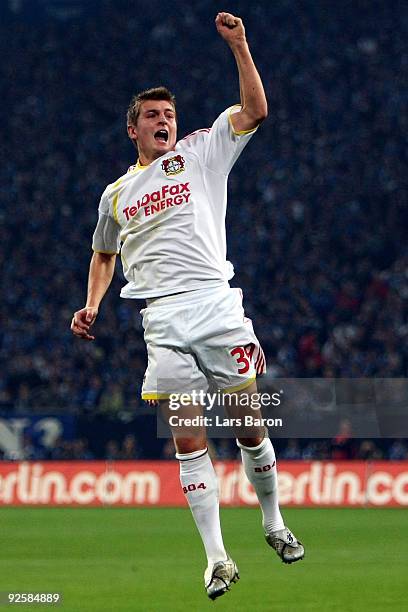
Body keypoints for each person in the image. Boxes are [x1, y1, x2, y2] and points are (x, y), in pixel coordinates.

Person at [71, 12, 304, 600]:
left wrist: (241, 45)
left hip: (215, 303)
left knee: (249, 425)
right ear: (134, 131)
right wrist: (92, 303)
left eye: (169, 114)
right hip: (162, 318)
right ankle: (218, 559)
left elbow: (255, 111)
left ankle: (274, 521)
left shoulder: (201, 153)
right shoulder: (116, 194)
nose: (164, 120)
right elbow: (104, 256)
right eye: (152, 116)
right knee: (189, 441)